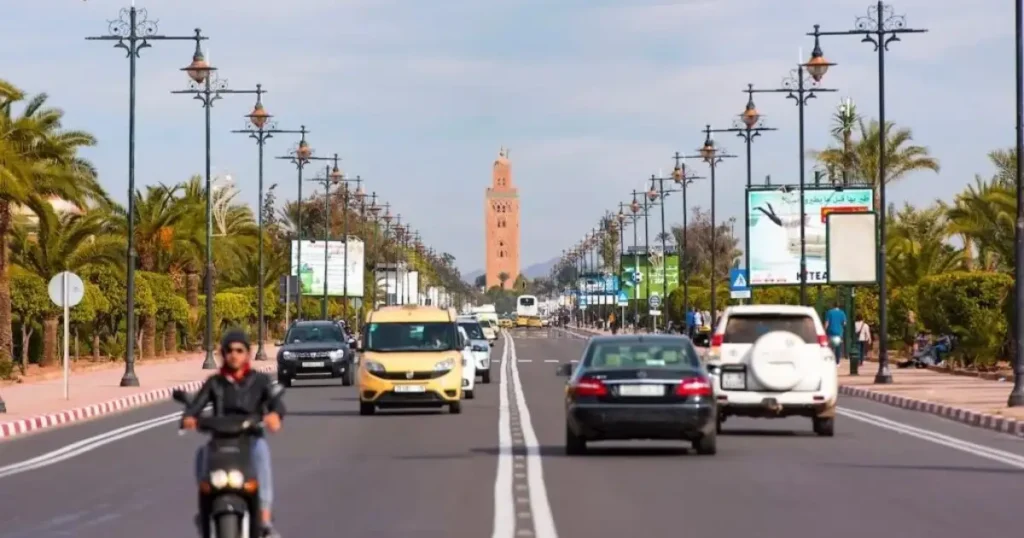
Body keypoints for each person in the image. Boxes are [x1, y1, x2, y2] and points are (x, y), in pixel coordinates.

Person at [182, 329, 286, 538]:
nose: (234, 354)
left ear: (248, 353)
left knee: (262, 453)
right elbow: (196, 406)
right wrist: (189, 417)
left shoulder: (260, 381)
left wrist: (274, 415)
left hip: (249, 440)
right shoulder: (215, 383)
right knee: (201, 455)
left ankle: (264, 517)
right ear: (223, 353)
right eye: (229, 350)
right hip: (219, 442)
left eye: (239, 350)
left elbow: (276, 403)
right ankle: (204, 510)